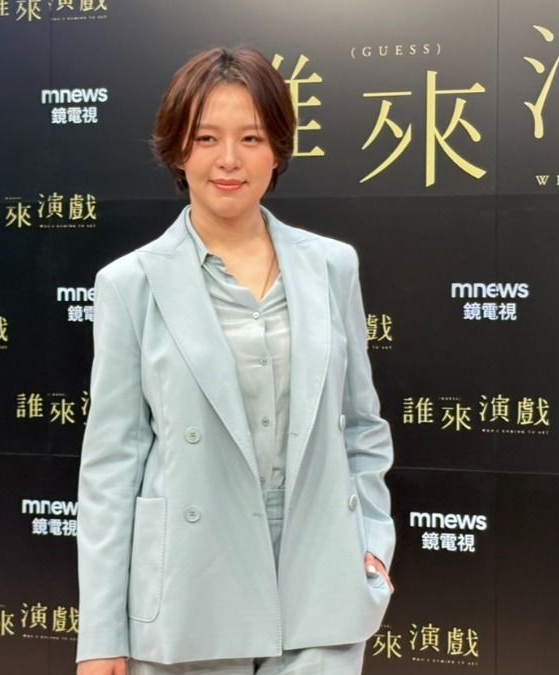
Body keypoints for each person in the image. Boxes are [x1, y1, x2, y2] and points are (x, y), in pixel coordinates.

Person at [76, 47, 395, 675]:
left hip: (321, 583)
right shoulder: (130, 284)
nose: (228, 159)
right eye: (206, 138)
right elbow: (112, 467)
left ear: (278, 149)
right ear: (178, 150)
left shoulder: (332, 266)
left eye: (250, 137)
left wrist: (374, 544)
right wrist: (102, 635)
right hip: (190, 590)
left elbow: (361, 425)